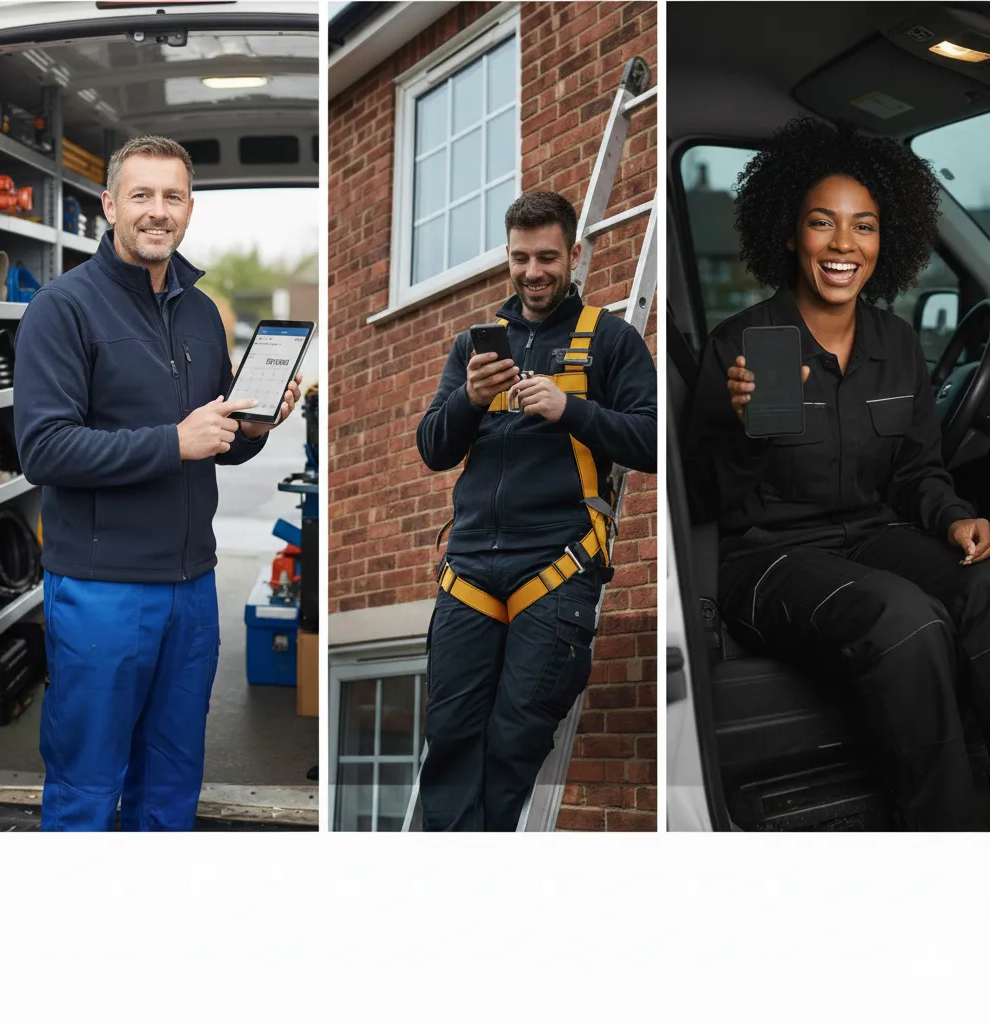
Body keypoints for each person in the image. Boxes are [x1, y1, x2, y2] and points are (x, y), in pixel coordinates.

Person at [685, 117, 990, 831]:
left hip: (873, 536)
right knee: (905, 618)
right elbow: (702, 499)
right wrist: (745, 425)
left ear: (886, 241)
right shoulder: (743, 345)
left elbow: (917, 470)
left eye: (865, 226)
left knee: (983, 582)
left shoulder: (899, 343)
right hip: (767, 555)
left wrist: (952, 516)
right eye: (823, 224)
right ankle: (944, 833)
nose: (844, 245)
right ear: (792, 235)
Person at [13, 135, 303, 831]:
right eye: (141, 195)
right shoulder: (63, 308)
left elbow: (215, 442)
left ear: (190, 210)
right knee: (87, 786)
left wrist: (251, 431)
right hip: (102, 590)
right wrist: (173, 442)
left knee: (172, 786)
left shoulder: (202, 313)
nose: (157, 211)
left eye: (172, 197)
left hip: (191, 591)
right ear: (110, 204)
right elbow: (43, 449)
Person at [416, 191, 657, 831]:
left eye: (548, 257)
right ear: (508, 258)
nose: (534, 273)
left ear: (573, 254)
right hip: (468, 571)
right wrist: (467, 398)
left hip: (554, 566)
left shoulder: (610, 340)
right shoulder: (474, 344)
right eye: (521, 259)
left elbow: (657, 440)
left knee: (513, 740)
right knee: (449, 739)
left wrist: (569, 409)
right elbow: (433, 449)